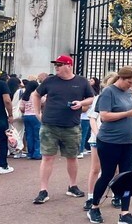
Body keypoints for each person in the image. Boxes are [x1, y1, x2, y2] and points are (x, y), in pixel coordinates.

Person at [31, 55, 95, 204]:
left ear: (69, 65)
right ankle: (43, 190)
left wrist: (81, 103)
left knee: (72, 157)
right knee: (47, 157)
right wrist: (37, 113)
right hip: (49, 125)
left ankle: (72, 186)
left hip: (71, 126)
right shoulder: (50, 80)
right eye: (56, 65)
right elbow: (36, 94)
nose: (57, 67)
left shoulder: (81, 81)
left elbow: (91, 98)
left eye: (59, 65)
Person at [87, 66, 132, 224]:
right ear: (121, 78)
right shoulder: (109, 92)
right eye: (129, 82)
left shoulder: (130, 93)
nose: (130, 85)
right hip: (110, 141)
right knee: (108, 174)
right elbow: (104, 116)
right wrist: (127, 113)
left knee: (126, 177)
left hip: (128, 141)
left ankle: (124, 212)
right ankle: (94, 206)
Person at [83, 72, 118, 211]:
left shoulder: (122, 97)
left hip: (115, 138)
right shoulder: (99, 98)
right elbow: (92, 117)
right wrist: (98, 134)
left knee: (115, 170)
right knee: (95, 168)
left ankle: (117, 195)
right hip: (100, 138)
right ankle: (91, 196)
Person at [20, 80, 42, 160]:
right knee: (37, 135)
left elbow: (21, 108)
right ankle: (37, 153)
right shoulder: (37, 95)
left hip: (26, 116)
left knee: (29, 135)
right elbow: (44, 102)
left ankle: (30, 153)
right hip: (36, 116)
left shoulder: (25, 95)